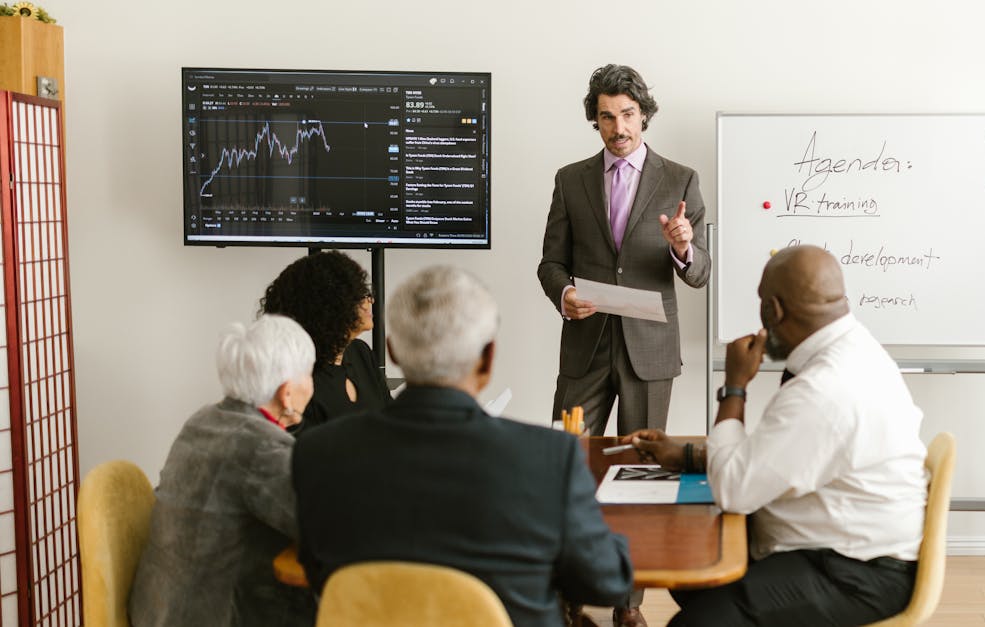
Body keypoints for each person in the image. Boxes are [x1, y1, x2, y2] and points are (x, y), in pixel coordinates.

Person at [292, 265, 633, 627]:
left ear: (392, 351)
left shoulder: (315, 454)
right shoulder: (551, 458)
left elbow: (320, 577)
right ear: (487, 359)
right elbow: (608, 583)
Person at [624, 245, 928, 627]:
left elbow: (733, 491)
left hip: (855, 570)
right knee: (693, 574)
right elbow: (782, 454)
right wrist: (689, 456)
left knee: (697, 622)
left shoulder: (824, 388)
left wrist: (734, 387)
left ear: (774, 311)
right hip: (838, 542)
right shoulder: (854, 347)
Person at [538, 63, 711, 438]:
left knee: (641, 469)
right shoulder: (570, 180)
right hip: (586, 347)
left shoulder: (681, 179)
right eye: (608, 117)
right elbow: (551, 263)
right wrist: (564, 293)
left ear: (643, 114)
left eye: (628, 115)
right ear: (595, 121)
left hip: (649, 350)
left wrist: (683, 248)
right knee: (566, 457)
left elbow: (700, 273)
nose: (619, 129)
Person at [129, 315, 317, 627]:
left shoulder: (202, 421)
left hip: (158, 611)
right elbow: (320, 525)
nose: (313, 384)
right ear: (287, 393)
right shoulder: (259, 447)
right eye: (309, 375)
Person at [260, 250, 391, 433]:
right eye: (360, 294)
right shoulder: (297, 376)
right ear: (330, 305)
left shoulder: (361, 352)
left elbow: (390, 423)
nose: (371, 301)